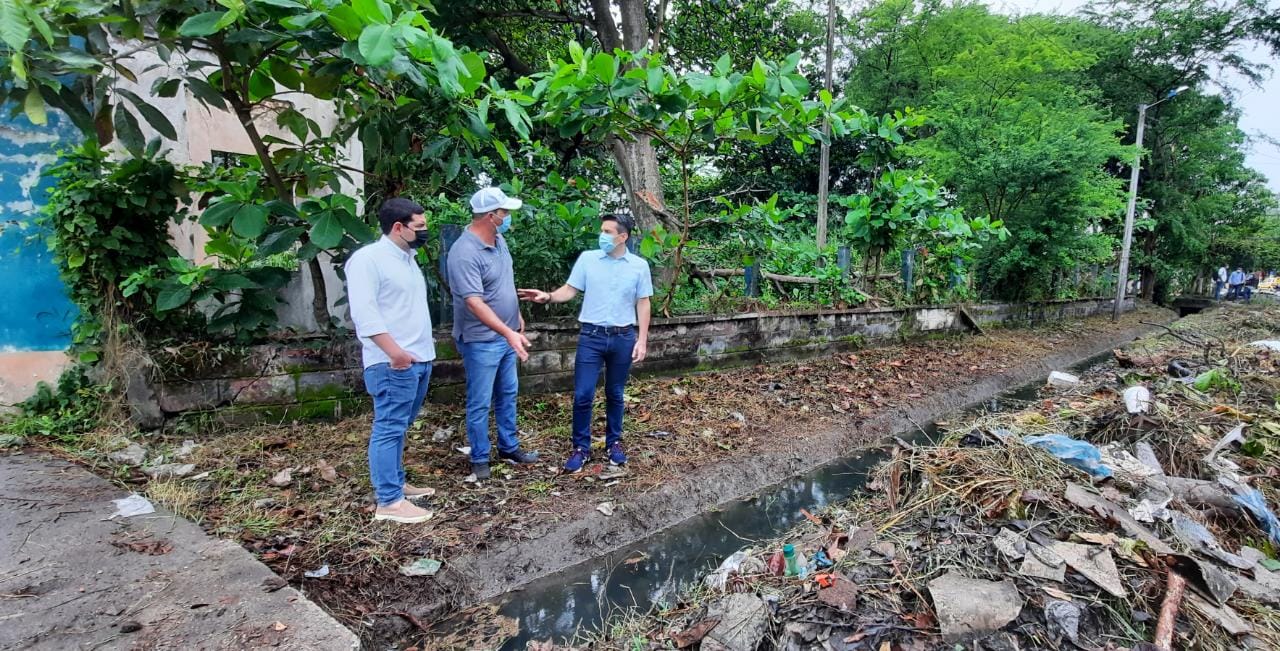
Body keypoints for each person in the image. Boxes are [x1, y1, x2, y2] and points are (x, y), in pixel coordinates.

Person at [517, 214, 653, 473]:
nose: (602, 235)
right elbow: (569, 290)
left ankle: (614, 443)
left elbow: (643, 302)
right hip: (591, 336)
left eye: (607, 231)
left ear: (622, 237)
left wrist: (642, 339)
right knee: (583, 394)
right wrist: (547, 297)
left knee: (615, 393)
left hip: (623, 337)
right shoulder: (588, 260)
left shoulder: (638, 266)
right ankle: (581, 448)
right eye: (601, 230)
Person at [344, 197, 436, 524]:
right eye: (419, 227)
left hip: (418, 359)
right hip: (393, 363)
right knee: (388, 427)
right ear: (398, 227)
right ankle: (390, 501)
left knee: (400, 427)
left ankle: (396, 483)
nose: (424, 232)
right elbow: (365, 315)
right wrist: (395, 353)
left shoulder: (408, 259)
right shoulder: (368, 260)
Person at [447, 187, 540, 480]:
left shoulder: (499, 241)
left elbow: (503, 284)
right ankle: (479, 457)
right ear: (491, 216)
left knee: (508, 393)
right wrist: (507, 332)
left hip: (506, 335)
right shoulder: (464, 252)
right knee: (480, 400)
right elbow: (474, 302)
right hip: (481, 340)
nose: (509, 217)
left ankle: (509, 447)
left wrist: (517, 316)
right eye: (505, 212)